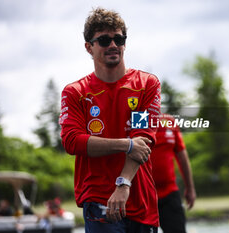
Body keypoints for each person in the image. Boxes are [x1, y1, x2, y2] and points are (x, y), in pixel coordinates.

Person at [59, 7, 161, 233]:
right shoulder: (75, 92)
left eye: (119, 38)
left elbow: (142, 139)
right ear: (89, 47)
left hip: (140, 199)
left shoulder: (146, 84)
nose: (113, 45)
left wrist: (123, 184)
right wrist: (126, 144)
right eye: (104, 40)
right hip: (98, 201)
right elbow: (72, 141)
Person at [150, 114, 196, 233]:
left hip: (169, 194)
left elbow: (183, 158)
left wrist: (190, 188)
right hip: (144, 197)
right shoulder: (136, 120)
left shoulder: (169, 121)